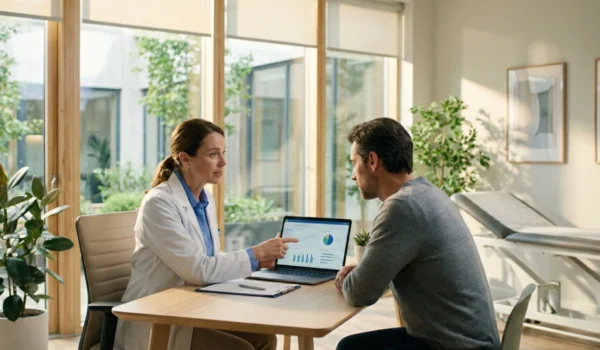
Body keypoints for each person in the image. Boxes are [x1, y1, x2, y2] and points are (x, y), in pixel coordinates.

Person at [114, 119, 298, 350]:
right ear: (185, 159)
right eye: (213, 154)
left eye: (223, 153)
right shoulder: (159, 204)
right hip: (159, 318)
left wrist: (260, 261)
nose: (223, 162)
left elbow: (211, 258)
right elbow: (198, 269)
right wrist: (256, 253)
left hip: (196, 307)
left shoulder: (205, 199)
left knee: (265, 338)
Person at [335, 118, 500, 350]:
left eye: (355, 163)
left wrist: (348, 279)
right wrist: (364, 272)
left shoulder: (401, 207)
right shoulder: (428, 193)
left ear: (372, 161)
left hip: (455, 346)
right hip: (469, 338)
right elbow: (381, 272)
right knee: (350, 346)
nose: (353, 175)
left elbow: (360, 294)